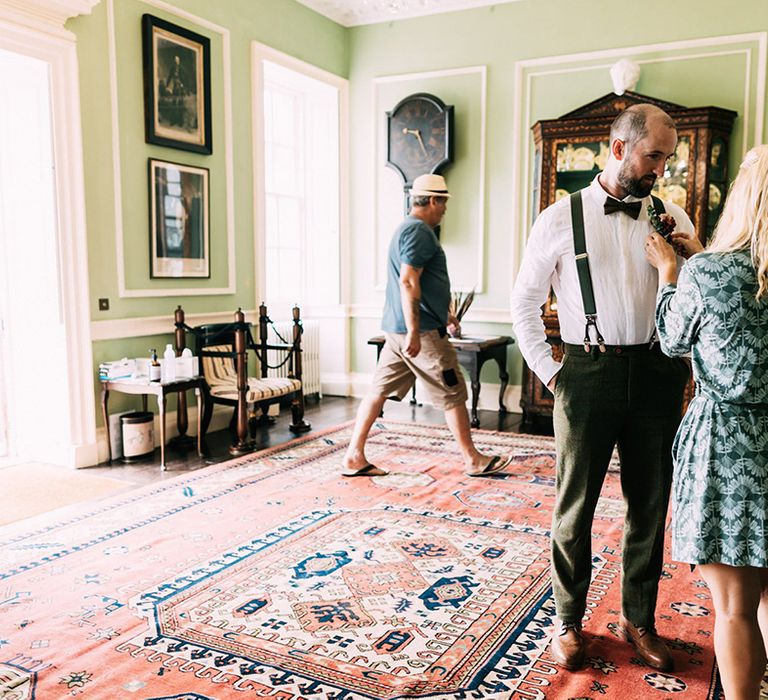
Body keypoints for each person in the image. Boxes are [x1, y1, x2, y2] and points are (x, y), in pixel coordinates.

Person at [510, 104, 695, 672]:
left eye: (666, 156)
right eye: (653, 155)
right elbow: (521, 304)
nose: (661, 168)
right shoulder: (559, 218)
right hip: (586, 375)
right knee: (575, 505)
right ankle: (566, 621)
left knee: (649, 502)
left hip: (658, 374)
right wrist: (555, 373)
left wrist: (688, 260)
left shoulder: (674, 215)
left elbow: (695, 296)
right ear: (618, 149)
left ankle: (638, 618)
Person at [646, 145, 768, 700]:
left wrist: (674, 274)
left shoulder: (708, 274)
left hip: (728, 447)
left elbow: (673, 339)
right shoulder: (719, 268)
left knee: (735, 608)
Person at [342, 173, 512, 478]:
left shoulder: (406, 229)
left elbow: (419, 283)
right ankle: (472, 459)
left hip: (396, 331)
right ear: (432, 200)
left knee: (378, 391)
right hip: (418, 334)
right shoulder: (419, 231)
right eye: (443, 202)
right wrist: (414, 331)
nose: (445, 209)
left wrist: (445, 315)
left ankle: (354, 455)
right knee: (453, 390)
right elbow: (408, 281)